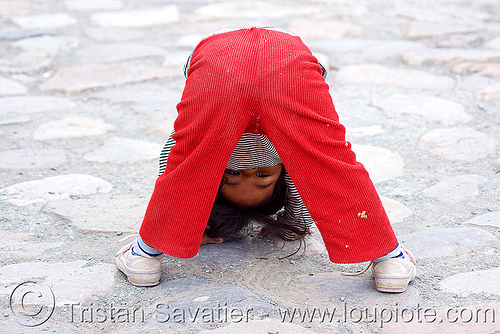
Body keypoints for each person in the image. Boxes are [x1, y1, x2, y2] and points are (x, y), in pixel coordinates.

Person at [116, 27, 416, 293]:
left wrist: (191, 228)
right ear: (280, 182)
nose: (248, 174)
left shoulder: (234, 153)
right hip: (263, 61)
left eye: (232, 176)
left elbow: (175, 167)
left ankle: (145, 255)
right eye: (262, 179)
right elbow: (306, 181)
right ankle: (388, 257)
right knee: (330, 163)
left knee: (189, 163)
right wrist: (290, 224)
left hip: (229, 62)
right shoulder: (285, 162)